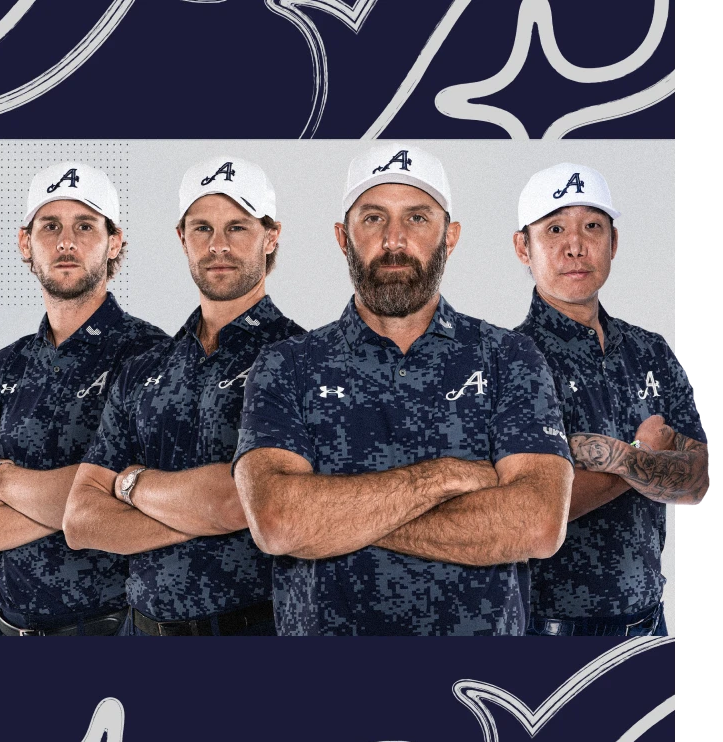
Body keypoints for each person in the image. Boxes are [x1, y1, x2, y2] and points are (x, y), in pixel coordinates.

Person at [232, 143, 574, 636]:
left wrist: (334, 520)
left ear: (449, 236)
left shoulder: (510, 357)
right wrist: (442, 478)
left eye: (417, 218)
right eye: (373, 218)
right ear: (342, 237)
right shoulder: (288, 364)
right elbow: (278, 521)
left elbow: (539, 524)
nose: (394, 240)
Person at [63, 156, 304, 636]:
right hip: (140, 634)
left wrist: (131, 487)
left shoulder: (301, 359)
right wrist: (210, 512)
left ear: (271, 236)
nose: (218, 246)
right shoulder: (144, 369)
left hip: (253, 633)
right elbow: (80, 519)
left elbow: (247, 503)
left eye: (237, 227)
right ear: (182, 238)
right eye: (202, 229)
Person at [0, 163, 168, 635]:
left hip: (112, 630)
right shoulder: (2, 367)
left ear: (114, 242)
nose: (67, 241)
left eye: (85, 226)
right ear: (26, 243)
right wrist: (89, 502)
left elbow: (151, 501)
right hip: (3, 632)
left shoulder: (153, 356)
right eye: (50, 226)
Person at [513, 162, 709, 636]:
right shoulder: (510, 361)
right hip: (549, 628)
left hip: (650, 620)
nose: (576, 245)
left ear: (613, 242)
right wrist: (644, 456)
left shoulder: (651, 350)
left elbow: (702, 478)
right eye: (554, 228)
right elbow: (534, 512)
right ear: (524, 246)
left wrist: (612, 458)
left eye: (592, 227)